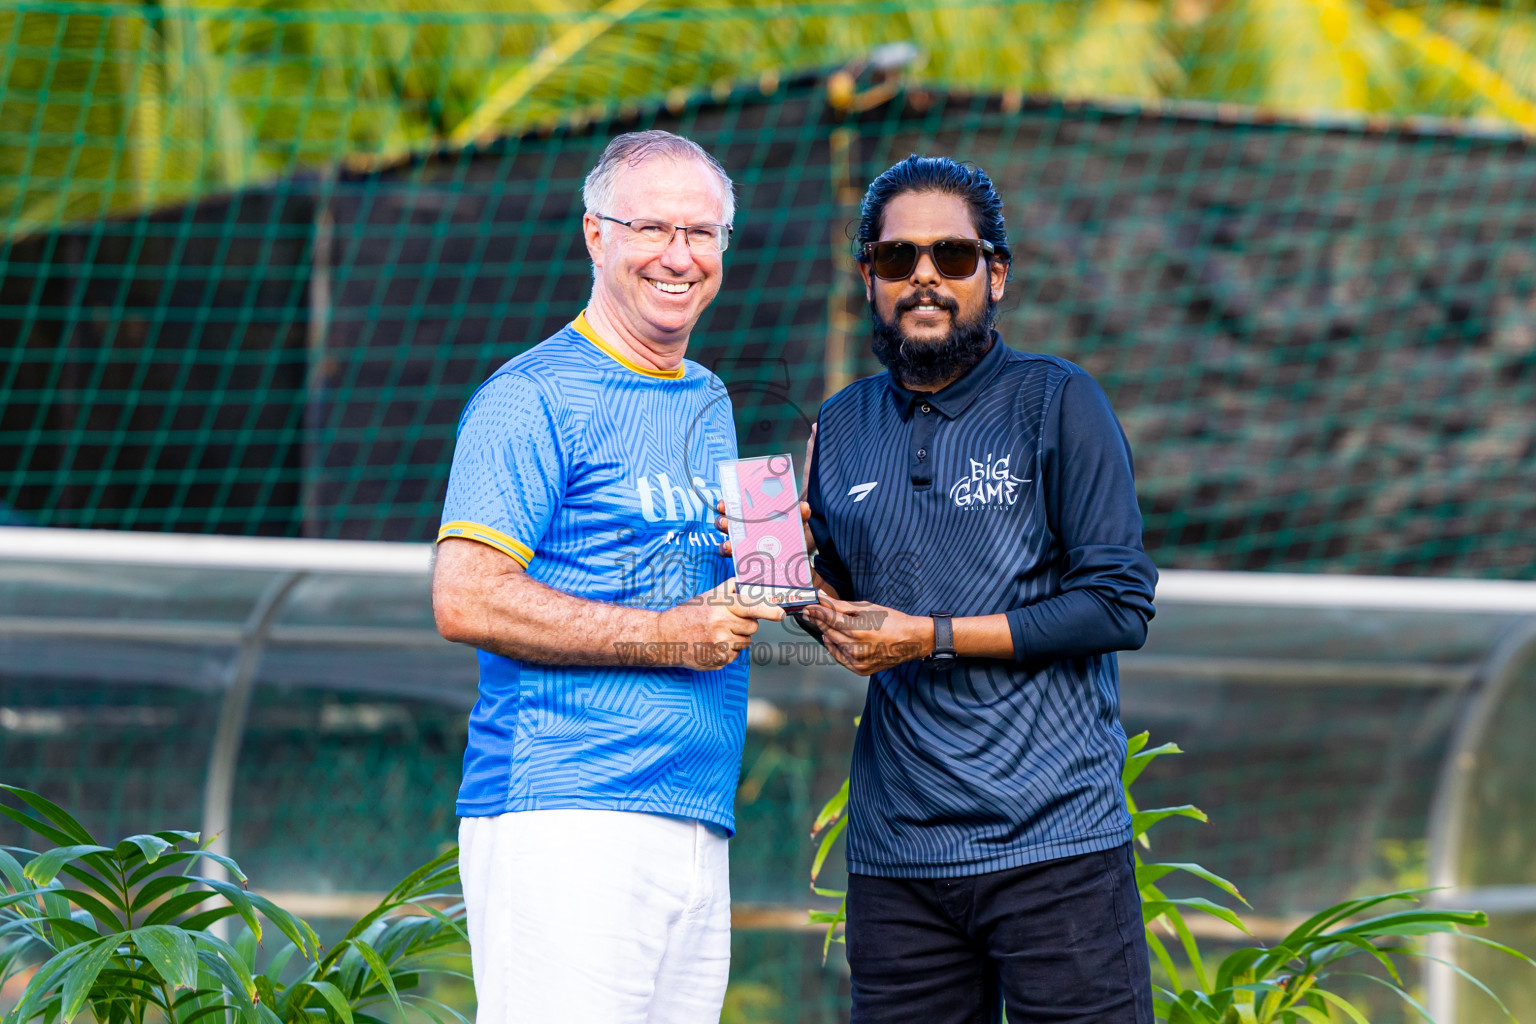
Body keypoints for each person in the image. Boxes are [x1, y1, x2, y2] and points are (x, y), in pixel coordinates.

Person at [431, 130, 783, 1024]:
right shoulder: (531, 395)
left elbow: (713, 587)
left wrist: (782, 554)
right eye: (651, 228)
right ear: (596, 235)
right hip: (565, 810)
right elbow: (465, 597)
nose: (679, 256)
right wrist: (669, 636)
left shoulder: (709, 398)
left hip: (699, 812)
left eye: (701, 233)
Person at [799, 155, 1159, 1024]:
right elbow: (847, 607)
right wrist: (792, 575)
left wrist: (931, 637)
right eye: (898, 258)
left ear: (995, 274)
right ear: (869, 277)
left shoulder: (1057, 400)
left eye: (952, 256)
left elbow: (1118, 602)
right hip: (897, 858)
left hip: (1056, 845)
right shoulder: (840, 425)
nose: (924, 276)